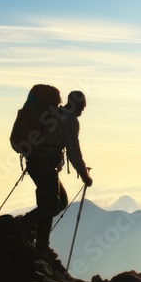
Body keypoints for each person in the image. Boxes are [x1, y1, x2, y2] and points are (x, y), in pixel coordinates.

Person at [27, 89, 93, 251]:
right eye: (82, 107)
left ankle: (36, 237)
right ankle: (24, 227)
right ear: (76, 104)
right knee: (54, 204)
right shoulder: (69, 120)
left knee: (51, 202)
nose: (82, 111)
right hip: (46, 164)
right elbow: (73, 150)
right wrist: (84, 175)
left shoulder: (55, 113)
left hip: (35, 162)